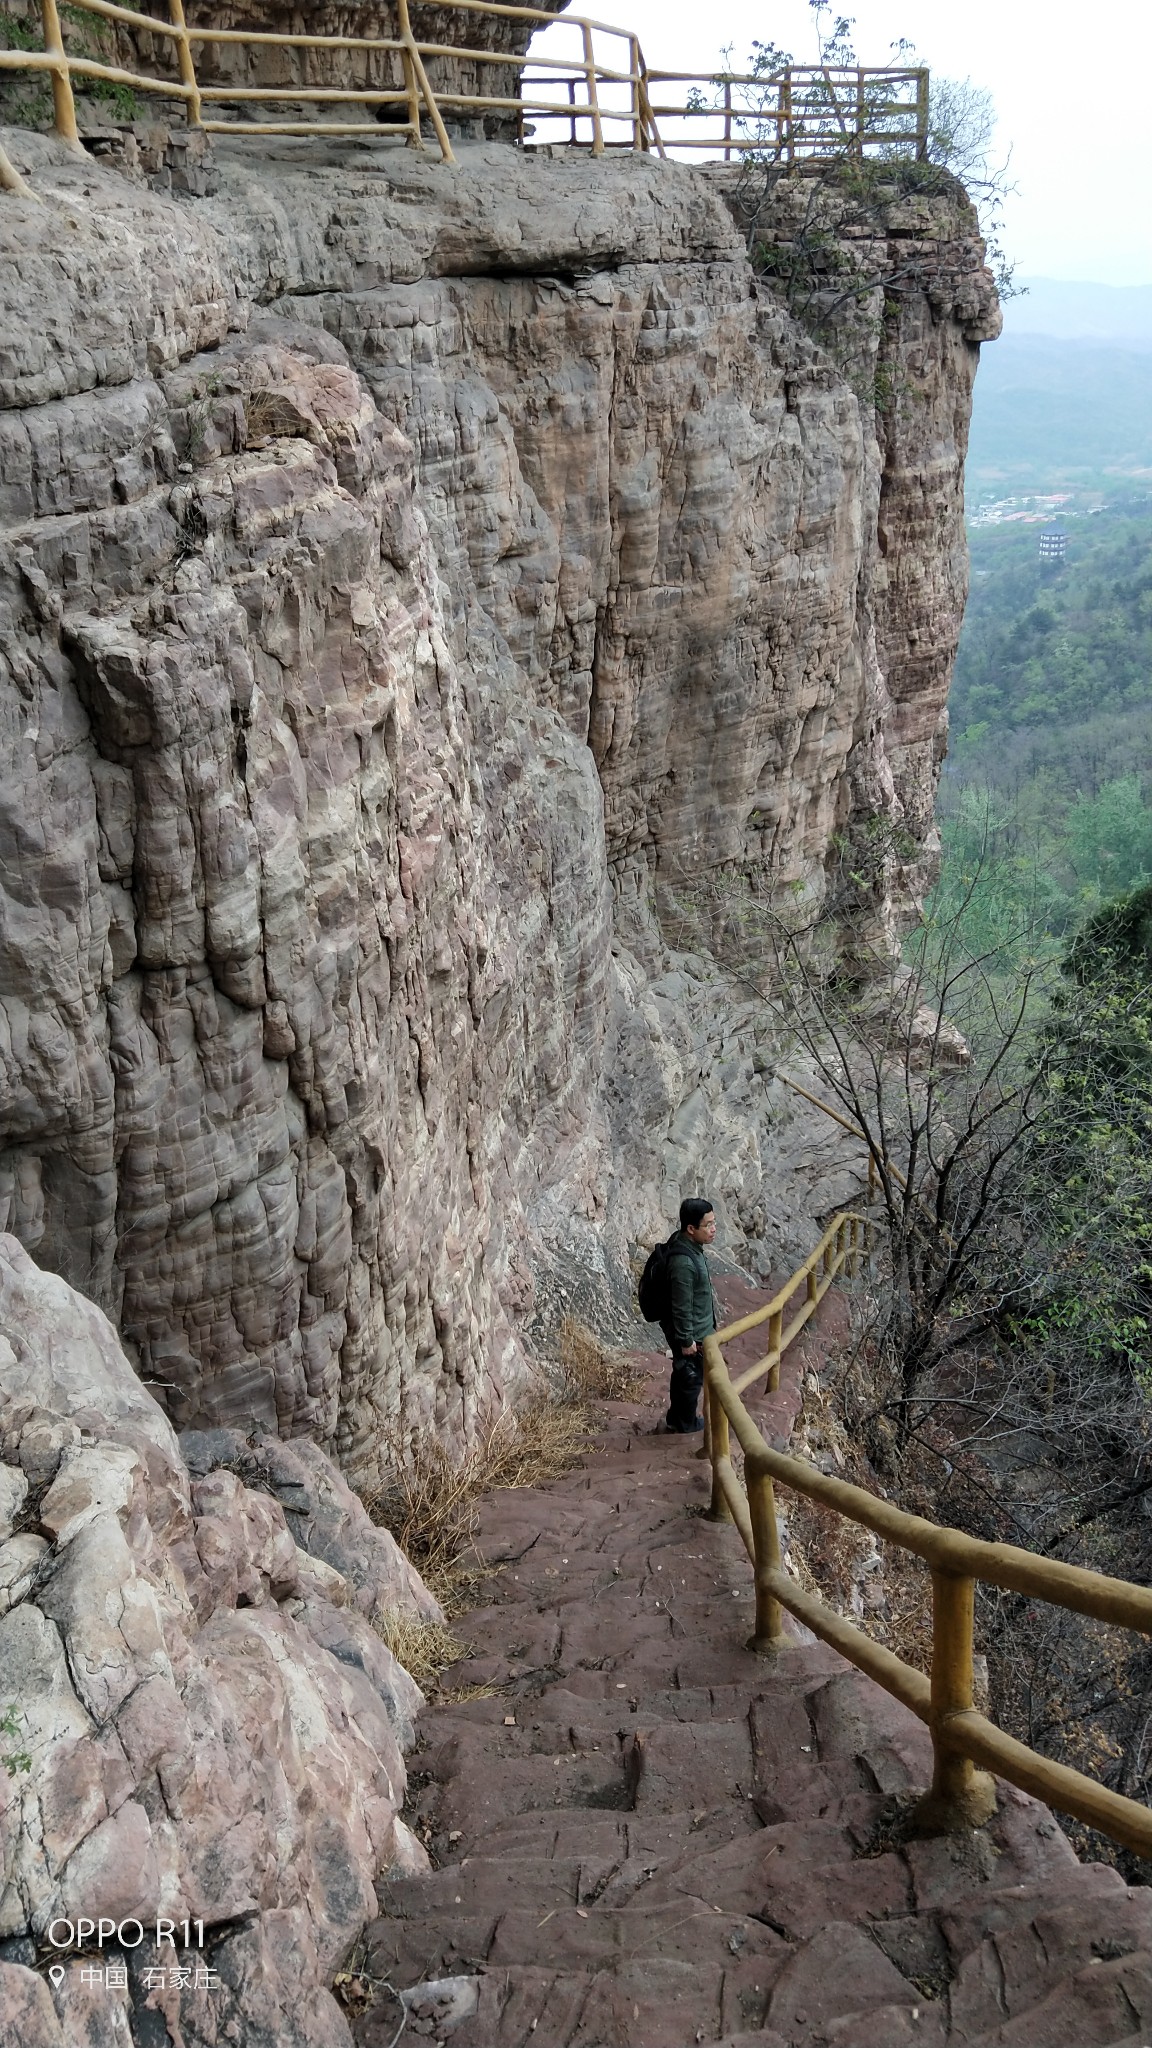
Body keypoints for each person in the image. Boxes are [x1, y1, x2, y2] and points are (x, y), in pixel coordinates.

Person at [660, 1197, 717, 1433]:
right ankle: (684, 1424)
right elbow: (681, 1305)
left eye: (715, 1223)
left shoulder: (688, 1245)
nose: (713, 1230)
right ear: (691, 1229)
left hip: (699, 1329)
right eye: (708, 1225)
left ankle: (678, 1417)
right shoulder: (684, 1262)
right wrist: (686, 1341)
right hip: (693, 1334)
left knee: (687, 1376)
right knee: (690, 1379)